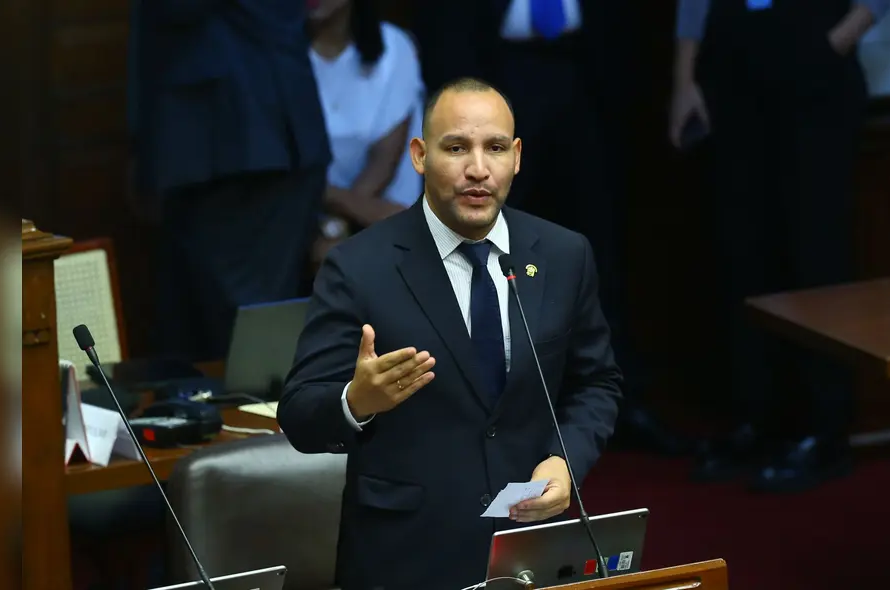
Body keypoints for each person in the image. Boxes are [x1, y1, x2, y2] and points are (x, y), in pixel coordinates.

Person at [277, 77, 622, 589]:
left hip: (525, 547)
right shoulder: (358, 266)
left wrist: (564, 459)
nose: (477, 169)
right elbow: (300, 413)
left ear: (517, 157)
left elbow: (596, 383)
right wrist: (357, 400)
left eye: (495, 148)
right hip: (404, 557)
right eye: (456, 147)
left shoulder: (564, 255)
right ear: (419, 155)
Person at [411, 1, 690, 456]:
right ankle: (482, 413)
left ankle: (617, 404)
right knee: (484, 247)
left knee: (602, 248)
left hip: (590, 72)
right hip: (493, 74)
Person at [669, 0, 890, 492]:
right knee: (743, 251)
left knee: (816, 252)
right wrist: (684, 78)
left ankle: (824, 430)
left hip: (813, 47)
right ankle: (759, 420)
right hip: (730, 56)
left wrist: (834, 41)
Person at [130, 0, 331, 361]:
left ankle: (263, 416)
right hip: (247, 135)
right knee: (217, 327)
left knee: (240, 332)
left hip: (242, 142)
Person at [305, 0, 425, 270]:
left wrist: (337, 226)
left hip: (378, 213)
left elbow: (384, 161)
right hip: (301, 216)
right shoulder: (273, 53)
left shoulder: (395, 47)